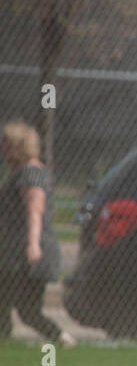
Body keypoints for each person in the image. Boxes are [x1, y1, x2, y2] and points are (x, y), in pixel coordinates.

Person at [1, 120, 73, 347]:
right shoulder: (26, 172)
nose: (3, 149)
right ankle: (58, 339)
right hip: (15, 252)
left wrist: (33, 244)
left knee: (25, 309)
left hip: (24, 254)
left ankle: (62, 339)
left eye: (7, 144)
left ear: (19, 146)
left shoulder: (30, 174)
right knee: (16, 307)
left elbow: (35, 208)